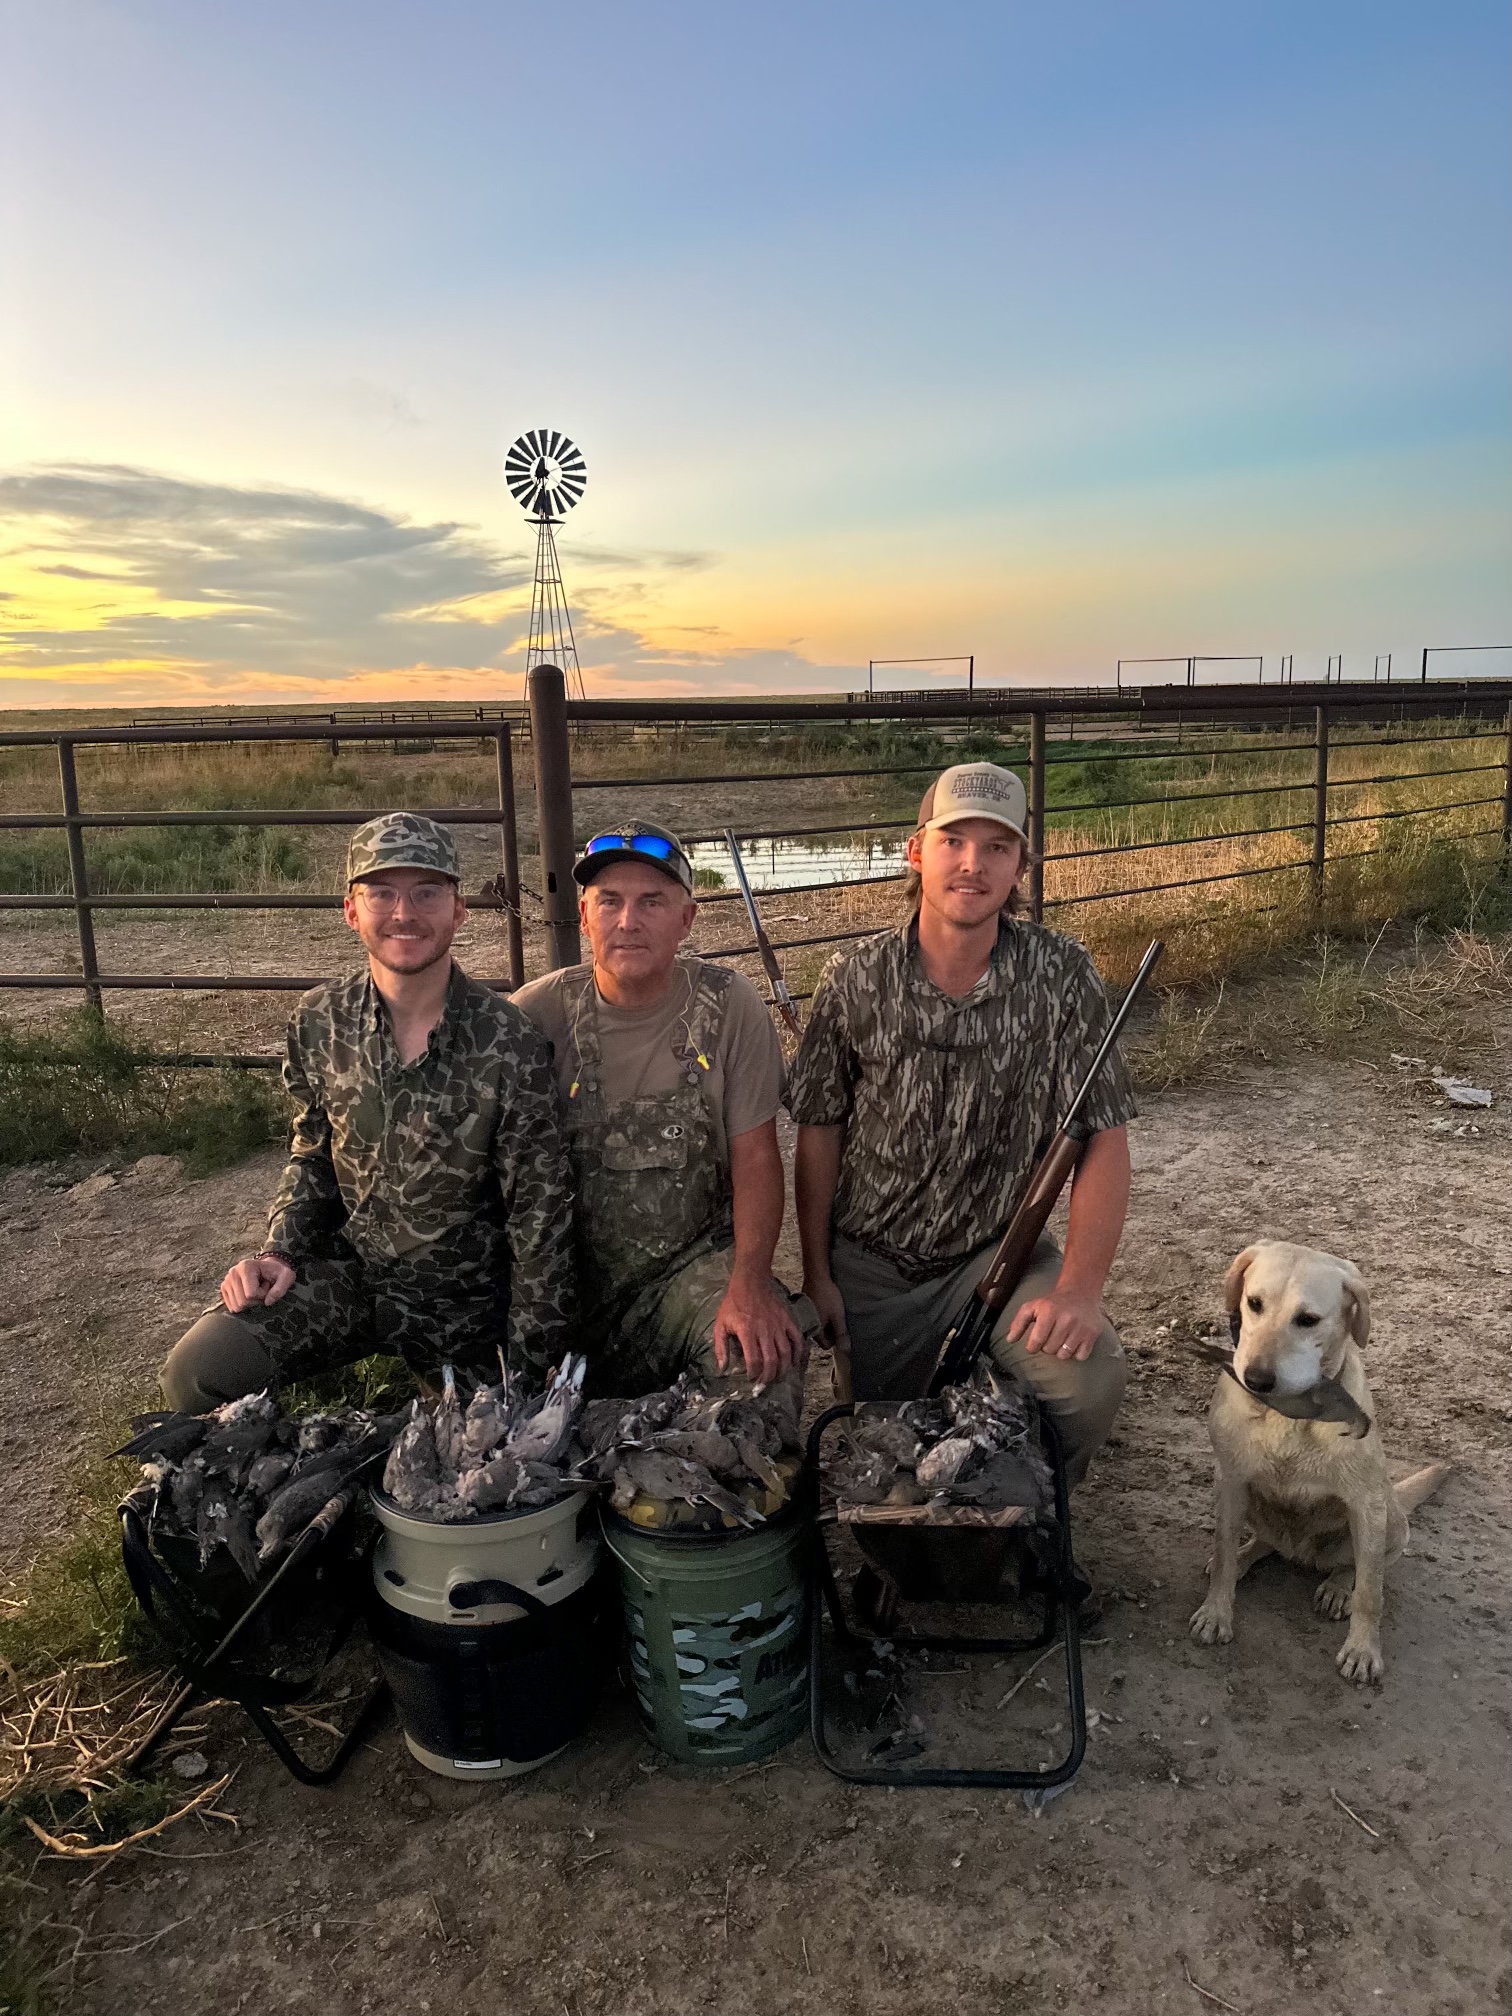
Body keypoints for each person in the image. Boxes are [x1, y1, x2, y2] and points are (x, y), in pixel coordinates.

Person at [789, 762, 1133, 1486]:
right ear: (917, 851)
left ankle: (1027, 1504)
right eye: (954, 841)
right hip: (873, 1268)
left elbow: (1102, 1135)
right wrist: (819, 1276)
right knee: (884, 1473)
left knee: (1087, 1382)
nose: (973, 864)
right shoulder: (854, 976)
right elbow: (818, 1131)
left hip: (998, 1256)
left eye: (997, 847)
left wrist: (1077, 1290)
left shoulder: (1064, 974)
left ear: (1020, 867)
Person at [161, 813, 575, 1410]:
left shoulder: (510, 1041)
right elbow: (313, 1156)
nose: (404, 913)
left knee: (476, 1452)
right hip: (354, 1278)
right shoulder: (319, 1020)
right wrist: (279, 1251)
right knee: (200, 1370)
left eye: (427, 893)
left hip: (468, 1304)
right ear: (351, 910)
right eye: (382, 893)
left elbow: (539, 1222)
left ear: (459, 910)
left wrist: (530, 1371)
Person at [513, 820, 812, 1396]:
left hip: (691, 1273)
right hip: (561, 1285)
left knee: (760, 1361)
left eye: (652, 901)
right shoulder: (533, 1016)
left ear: (686, 919)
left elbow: (757, 1158)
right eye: (610, 902)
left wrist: (749, 1284)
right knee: (495, 1415)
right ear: (584, 916)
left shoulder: (730, 1006)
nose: (628, 921)